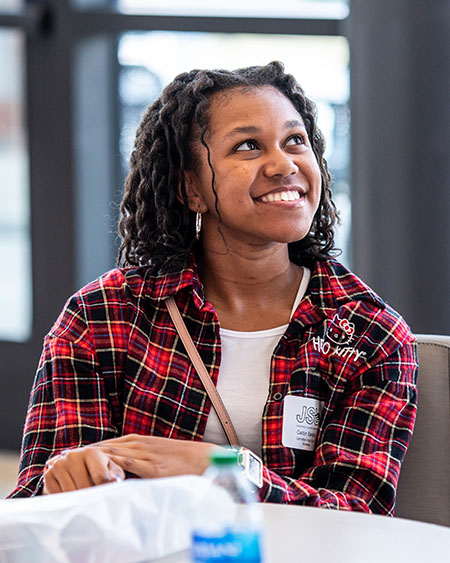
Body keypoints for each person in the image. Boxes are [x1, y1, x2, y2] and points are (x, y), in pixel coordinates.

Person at [9, 61, 417, 514]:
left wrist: (222, 468)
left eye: (295, 141)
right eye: (248, 146)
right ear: (191, 189)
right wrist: (68, 477)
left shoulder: (370, 333)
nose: (284, 164)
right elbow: (34, 497)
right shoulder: (104, 314)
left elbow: (359, 511)